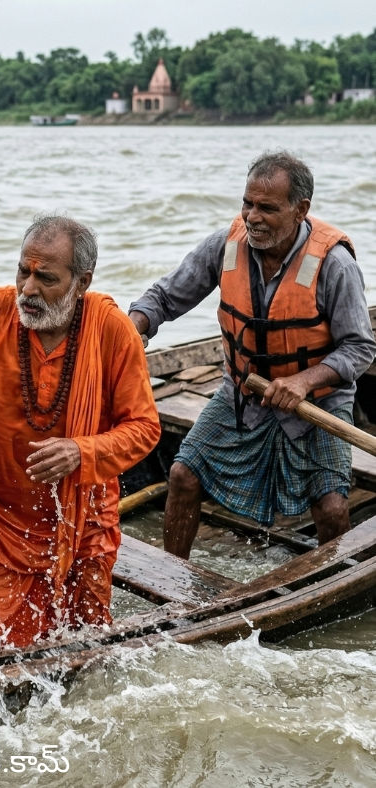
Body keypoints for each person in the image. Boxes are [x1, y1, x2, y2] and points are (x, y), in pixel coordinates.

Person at [0, 215, 161, 653]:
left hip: (81, 510)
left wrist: (80, 451)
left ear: (81, 281)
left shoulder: (111, 330)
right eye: (22, 272)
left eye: (45, 278)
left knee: (83, 631)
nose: (27, 289)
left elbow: (144, 429)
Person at [128, 151, 376, 559]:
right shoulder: (226, 246)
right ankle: (172, 581)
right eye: (247, 203)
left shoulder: (334, 264)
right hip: (243, 394)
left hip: (319, 402)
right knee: (182, 474)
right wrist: (133, 326)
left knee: (332, 507)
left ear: (301, 210)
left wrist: (304, 381)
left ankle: (327, 586)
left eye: (267, 208)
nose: (252, 217)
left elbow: (360, 348)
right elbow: (164, 297)